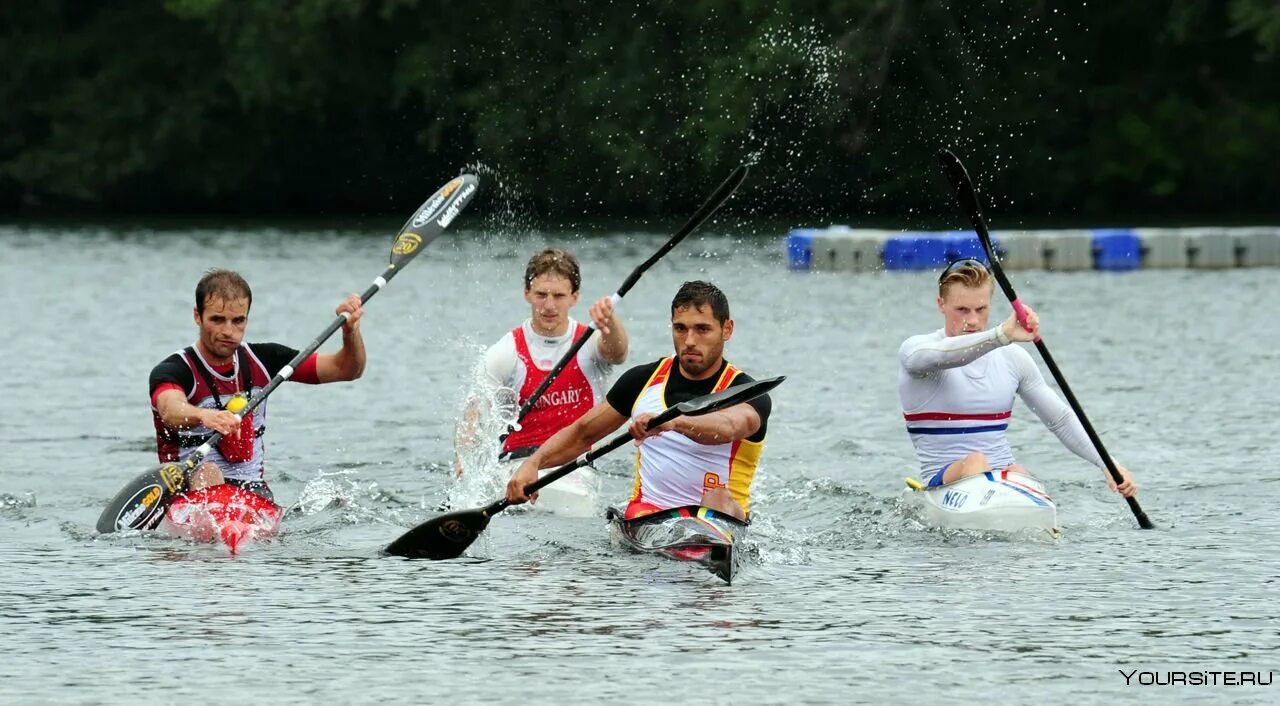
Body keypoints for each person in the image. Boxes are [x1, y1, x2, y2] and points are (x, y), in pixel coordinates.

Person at [505, 280, 772, 521]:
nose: (689, 341)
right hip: (649, 515)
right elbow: (582, 434)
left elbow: (729, 427)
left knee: (718, 498)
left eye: (702, 329)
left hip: (719, 518)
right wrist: (533, 464)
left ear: (727, 329)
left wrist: (673, 422)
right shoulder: (643, 380)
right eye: (680, 328)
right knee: (633, 515)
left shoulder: (747, 392)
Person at [898, 258, 1137, 496]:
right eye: (962, 310)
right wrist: (1001, 335)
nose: (972, 320)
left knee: (1019, 472)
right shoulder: (917, 350)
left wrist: (1107, 463)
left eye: (981, 309)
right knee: (976, 461)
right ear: (941, 304)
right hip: (943, 484)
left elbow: (1060, 420)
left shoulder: (1014, 358)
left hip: (1002, 476)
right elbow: (945, 355)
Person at [148, 269, 366, 501]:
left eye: (238, 320)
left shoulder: (265, 360)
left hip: (252, 493)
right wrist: (204, 415)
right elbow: (169, 409)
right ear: (197, 316)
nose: (228, 331)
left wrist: (350, 332)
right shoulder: (175, 370)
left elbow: (347, 369)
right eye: (217, 319)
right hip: (188, 494)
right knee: (209, 472)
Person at [455, 248, 628, 473]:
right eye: (541, 295)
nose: (548, 306)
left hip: (574, 466)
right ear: (526, 293)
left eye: (558, 296)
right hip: (515, 465)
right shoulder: (505, 352)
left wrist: (609, 321)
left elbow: (618, 354)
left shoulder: (590, 343)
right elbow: (473, 413)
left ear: (575, 297)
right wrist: (465, 461)